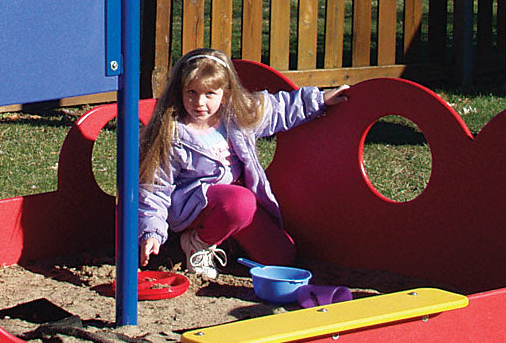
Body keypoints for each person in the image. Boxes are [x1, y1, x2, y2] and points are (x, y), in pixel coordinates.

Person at [137, 48, 348, 281]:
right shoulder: (173, 132)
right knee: (241, 202)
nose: (199, 102)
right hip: (193, 207)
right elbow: (154, 186)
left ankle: (224, 239)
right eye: (192, 92)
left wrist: (319, 100)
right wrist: (152, 231)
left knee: (282, 256)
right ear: (180, 91)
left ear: (225, 95)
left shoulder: (236, 115)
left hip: (232, 203)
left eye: (209, 94)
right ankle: (198, 244)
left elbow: (278, 108)